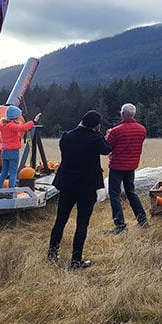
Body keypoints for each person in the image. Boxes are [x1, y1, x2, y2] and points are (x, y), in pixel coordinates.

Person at [49, 110, 112, 269]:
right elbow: (107, 149)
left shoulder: (66, 137)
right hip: (87, 186)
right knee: (82, 223)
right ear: (96, 126)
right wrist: (101, 134)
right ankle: (76, 260)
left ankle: (52, 253)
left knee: (60, 220)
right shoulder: (94, 139)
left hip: (67, 184)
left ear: (81, 120)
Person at [105, 103, 149, 233]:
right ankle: (142, 220)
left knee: (115, 195)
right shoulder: (142, 129)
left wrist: (108, 134)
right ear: (133, 114)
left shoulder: (116, 131)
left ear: (123, 114)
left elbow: (107, 147)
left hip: (117, 166)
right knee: (131, 192)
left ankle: (120, 225)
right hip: (131, 166)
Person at [0, 106, 40, 189]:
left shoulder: (2, 125)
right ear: (16, 117)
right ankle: (11, 190)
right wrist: (34, 121)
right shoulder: (13, 126)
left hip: (4, 152)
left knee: (4, 172)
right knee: (13, 172)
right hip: (13, 152)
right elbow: (23, 128)